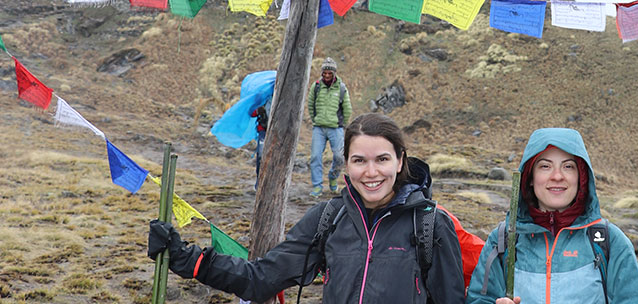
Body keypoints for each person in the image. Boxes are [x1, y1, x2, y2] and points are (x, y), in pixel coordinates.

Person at [147, 113, 466, 304]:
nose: (371, 173)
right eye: (359, 161)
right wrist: (187, 258)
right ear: (346, 164)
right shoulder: (329, 219)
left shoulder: (430, 225)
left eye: (382, 159)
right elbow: (262, 279)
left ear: (400, 160)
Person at [467, 127, 638, 304]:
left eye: (568, 166)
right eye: (545, 166)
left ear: (581, 177)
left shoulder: (610, 242)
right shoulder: (503, 241)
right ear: (529, 177)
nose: (557, 176)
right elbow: (479, 300)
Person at [307, 56, 352, 197]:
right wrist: (315, 119)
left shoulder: (342, 88)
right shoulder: (316, 86)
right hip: (319, 128)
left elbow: (347, 108)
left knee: (339, 157)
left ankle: (333, 177)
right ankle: (317, 186)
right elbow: (310, 104)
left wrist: (342, 123)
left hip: (335, 128)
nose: (327, 75)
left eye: (329, 73)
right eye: (325, 72)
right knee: (315, 157)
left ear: (334, 73)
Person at [249, 105, 268, 188]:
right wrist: (259, 110)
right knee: (261, 155)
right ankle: (259, 181)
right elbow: (252, 113)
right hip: (263, 130)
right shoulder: (264, 95)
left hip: (279, 131)